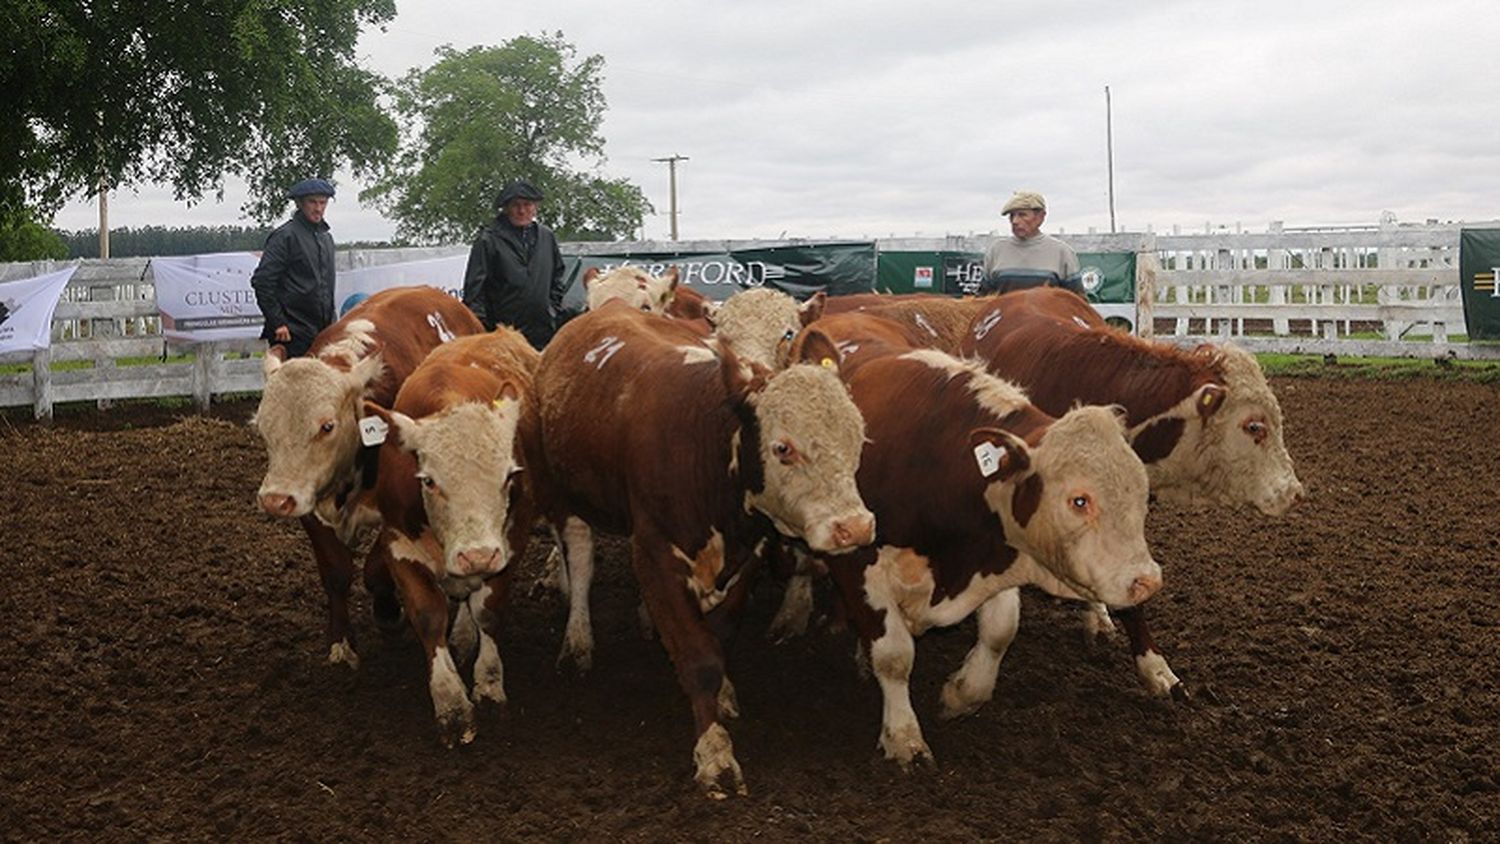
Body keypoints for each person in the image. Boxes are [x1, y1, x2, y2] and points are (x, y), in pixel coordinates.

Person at [462, 179, 566, 349]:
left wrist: (552, 309)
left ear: (536, 207)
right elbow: (474, 290)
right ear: (506, 208)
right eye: (516, 205)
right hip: (503, 334)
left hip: (543, 331)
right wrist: (482, 328)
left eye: (527, 205)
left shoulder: (546, 237)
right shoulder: (488, 240)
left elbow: (557, 276)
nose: (522, 210)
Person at [250, 178, 338, 358]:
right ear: (299, 204)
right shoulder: (284, 237)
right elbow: (262, 282)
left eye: (323, 202)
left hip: (323, 332)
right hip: (291, 333)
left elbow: (326, 287)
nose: (318, 208)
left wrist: (332, 324)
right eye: (312, 202)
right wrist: (277, 322)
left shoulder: (326, 238)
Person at [979, 190, 1083, 297]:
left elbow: (1077, 302)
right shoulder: (996, 250)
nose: (1015, 221)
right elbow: (984, 298)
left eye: (1022, 215)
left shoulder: (1062, 252)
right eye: (1012, 216)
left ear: (1040, 217)